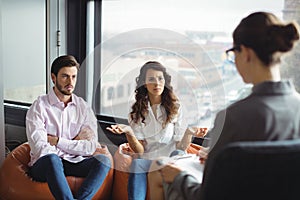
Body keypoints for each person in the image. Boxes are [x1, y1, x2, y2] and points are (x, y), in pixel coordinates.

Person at [150, 11, 300, 200]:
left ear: (245, 53)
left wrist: (179, 177)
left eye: (233, 52)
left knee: (158, 168)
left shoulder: (235, 116)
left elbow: (206, 196)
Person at [107, 61, 207, 200]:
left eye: (160, 79)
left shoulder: (176, 106)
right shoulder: (136, 111)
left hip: (171, 159)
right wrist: (129, 132)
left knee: (178, 153)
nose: (157, 83)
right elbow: (140, 151)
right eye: (151, 79)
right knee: (137, 163)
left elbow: (181, 146)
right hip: (149, 161)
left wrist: (189, 132)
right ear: (144, 83)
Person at [26, 55, 112, 200]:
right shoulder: (39, 106)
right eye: (65, 76)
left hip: (75, 161)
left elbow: (90, 147)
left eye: (73, 77)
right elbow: (40, 148)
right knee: (52, 159)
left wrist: (58, 141)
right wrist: (75, 141)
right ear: (53, 77)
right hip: (46, 165)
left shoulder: (83, 107)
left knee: (104, 161)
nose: (70, 82)